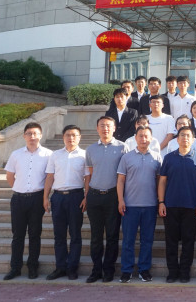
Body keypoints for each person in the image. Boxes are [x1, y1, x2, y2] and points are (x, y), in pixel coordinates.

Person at [3, 122, 52, 281]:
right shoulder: (16, 154)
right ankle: (15, 268)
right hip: (18, 199)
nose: (32, 136)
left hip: (37, 198)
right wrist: (19, 188)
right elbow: (10, 176)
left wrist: (44, 197)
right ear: (24, 136)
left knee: (34, 234)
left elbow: (49, 178)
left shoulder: (48, 155)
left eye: (35, 133)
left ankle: (32, 267)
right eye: (29, 133)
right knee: (17, 235)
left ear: (41, 135)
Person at [84, 116, 129, 283]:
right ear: (97, 128)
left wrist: (121, 198)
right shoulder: (90, 149)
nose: (105, 128)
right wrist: (86, 195)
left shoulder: (123, 147)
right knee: (96, 236)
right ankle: (96, 270)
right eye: (102, 125)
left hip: (113, 196)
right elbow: (90, 174)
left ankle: (108, 270)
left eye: (109, 126)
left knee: (112, 235)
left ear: (114, 128)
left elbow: (124, 175)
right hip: (94, 196)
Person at [158, 126, 196, 284]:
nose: (185, 138)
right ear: (177, 139)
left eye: (188, 136)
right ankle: (172, 272)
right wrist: (161, 202)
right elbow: (162, 181)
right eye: (182, 135)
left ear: (193, 140)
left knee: (188, 240)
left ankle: (185, 272)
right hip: (170, 205)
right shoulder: (168, 158)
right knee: (171, 240)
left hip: (190, 206)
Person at [117, 126, 161, 283]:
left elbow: (160, 182)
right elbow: (120, 180)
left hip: (150, 205)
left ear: (151, 138)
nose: (143, 139)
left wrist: (160, 201)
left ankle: (144, 269)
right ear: (135, 138)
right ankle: (126, 270)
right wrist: (121, 200)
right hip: (130, 205)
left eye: (146, 136)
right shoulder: (126, 157)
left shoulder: (157, 157)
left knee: (147, 240)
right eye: (140, 136)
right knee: (128, 240)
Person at [43, 125, 88, 280]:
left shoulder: (84, 155)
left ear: (79, 137)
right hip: (58, 197)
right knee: (59, 235)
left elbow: (87, 178)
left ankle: (72, 268)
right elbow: (50, 177)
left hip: (76, 196)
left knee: (75, 234)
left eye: (74, 135)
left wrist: (86, 196)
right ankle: (60, 267)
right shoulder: (55, 155)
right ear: (63, 137)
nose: (71, 138)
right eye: (68, 135)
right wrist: (45, 197)